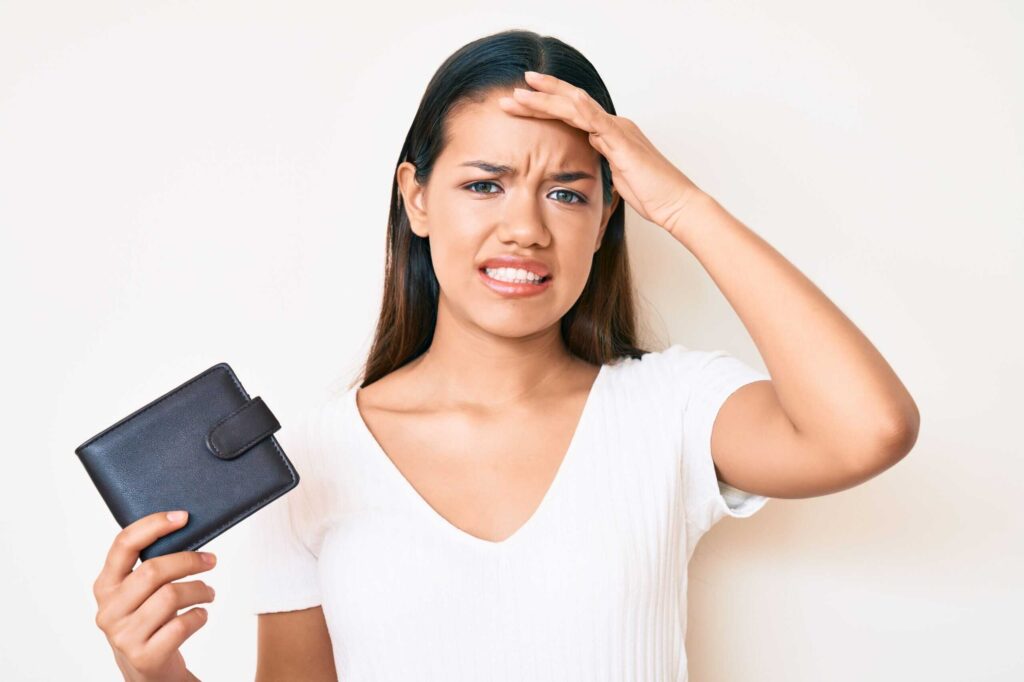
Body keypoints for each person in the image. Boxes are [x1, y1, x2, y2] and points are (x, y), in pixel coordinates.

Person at [91, 28, 920, 682]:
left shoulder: (671, 409)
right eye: (484, 184)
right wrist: (153, 672)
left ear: (606, 219)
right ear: (415, 197)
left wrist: (679, 201)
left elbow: (868, 430)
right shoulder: (309, 459)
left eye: (567, 192)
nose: (525, 226)